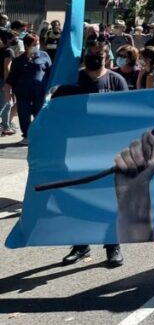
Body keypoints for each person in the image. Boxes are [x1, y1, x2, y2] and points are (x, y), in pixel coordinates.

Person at [57, 38, 129, 266]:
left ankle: (112, 246)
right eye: (92, 51)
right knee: (80, 197)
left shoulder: (116, 80)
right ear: (86, 53)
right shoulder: (72, 81)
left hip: (107, 151)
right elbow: (56, 111)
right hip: (78, 150)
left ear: (107, 54)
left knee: (109, 199)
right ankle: (81, 245)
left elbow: (129, 112)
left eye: (101, 51)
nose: (96, 55)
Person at [3, 34, 51, 144]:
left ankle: (40, 135)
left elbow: (50, 72)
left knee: (39, 115)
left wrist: (51, 89)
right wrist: (8, 91)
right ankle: (27, 136)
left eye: (38, 44)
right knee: (24, 115)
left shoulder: (44, 56)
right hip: (23, 93)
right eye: (34, 44)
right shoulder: (18, 60)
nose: (37, 46)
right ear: (26, 46)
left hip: (40, 92)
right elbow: (11, 78)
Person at [0, 30, 17, 136]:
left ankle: (6, 127)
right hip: (4, 81)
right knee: (3, 104)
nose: (15, 39)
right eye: (12, 37)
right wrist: (8, 84)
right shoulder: (9, 51)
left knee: (7, 104)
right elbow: (7, 68)